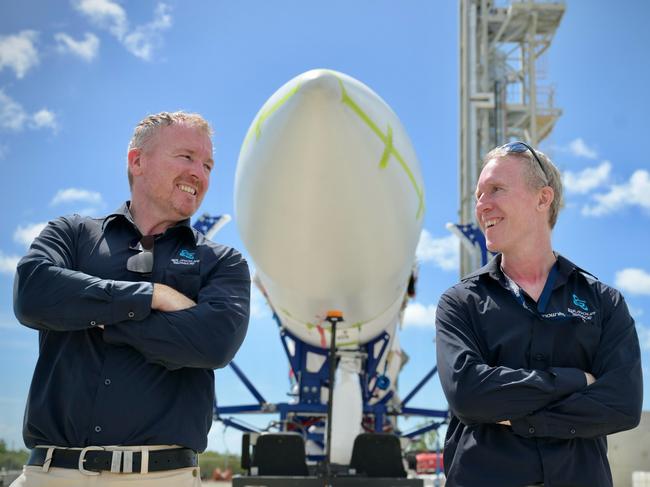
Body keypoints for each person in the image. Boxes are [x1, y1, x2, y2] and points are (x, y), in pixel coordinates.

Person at [12, 111, 251, 487]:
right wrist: (152, 296)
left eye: (207, 165)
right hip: (50, 474)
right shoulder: (72, 234)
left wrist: (92, 312)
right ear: (137, 161)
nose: (200, 174)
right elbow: (33, 293)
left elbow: (212, 343)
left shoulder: (222, 262)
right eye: (187, 157)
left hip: (162, 478)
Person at [435, 141, 642, 487]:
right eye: (478, 195)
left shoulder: (603, 302)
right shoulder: (460, 302)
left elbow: (622, 404)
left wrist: (516, 417)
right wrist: (577, 381)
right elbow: (470, 395)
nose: (482, 205)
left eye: (495, 189)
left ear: (543, 199)